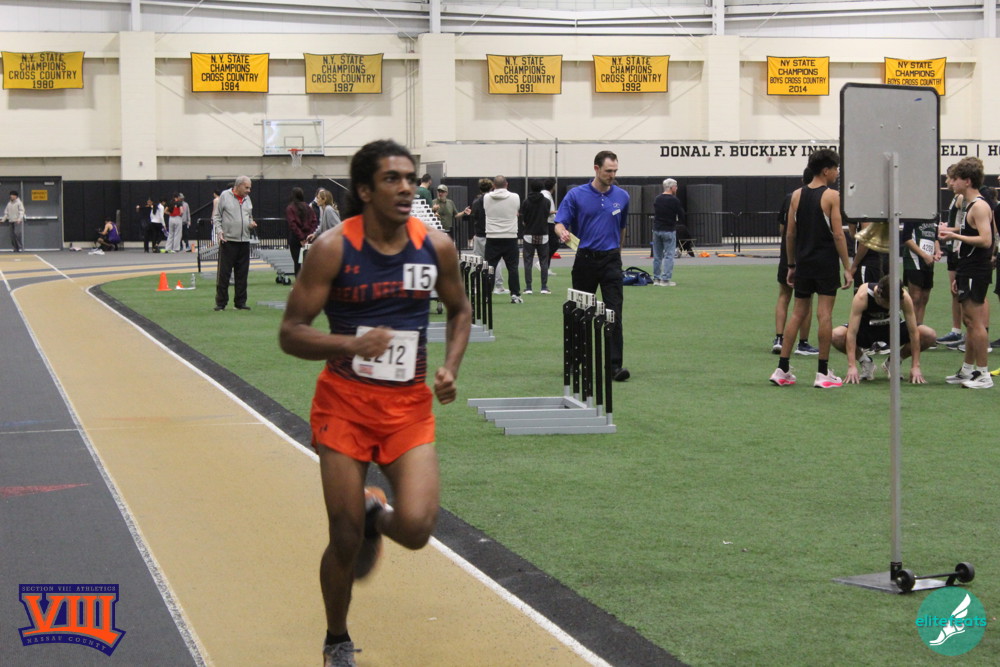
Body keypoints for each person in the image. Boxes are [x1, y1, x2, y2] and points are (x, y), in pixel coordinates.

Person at [278, 139, 471, 667]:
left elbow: (459, 310)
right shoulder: (333, 249)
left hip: (407, 408)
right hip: (344, 406)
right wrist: (350, 344)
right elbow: (291, 332)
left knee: (416, 528)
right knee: (342, 538)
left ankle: (374, 514)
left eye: (410, 178)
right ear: (365, 190)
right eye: (392, 179)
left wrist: (451, 366)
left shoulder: (436, 247)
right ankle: (337, 639)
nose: (407, 188)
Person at [770, 148, 852, 388]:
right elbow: (838, 235)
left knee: (797, 313)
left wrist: (791, 264)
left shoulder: (796, 195)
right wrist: (847, 267)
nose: (837, 173)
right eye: (836, 169)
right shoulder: (832, 196)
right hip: (825, 262)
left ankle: (782, 369)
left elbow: (790, 234)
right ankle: (822, 373)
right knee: (824, 314)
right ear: (826, 170)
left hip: (803, 262)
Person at [554, 150, 631, 381]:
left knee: (614, 313)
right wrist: (562, 232)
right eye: (608, 171)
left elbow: (622, 227)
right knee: (580, 312)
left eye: (615, 171)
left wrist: (618, 254)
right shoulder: (576, 195)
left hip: (611, 261)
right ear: (596, 168)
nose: (612, 175)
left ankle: (614, 367)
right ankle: (575, 363)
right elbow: (559, 222)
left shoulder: (623, 196)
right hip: (585, 260)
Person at [938, 156, 996, 388]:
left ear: (967, 181)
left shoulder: (980, 206)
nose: (951, 183)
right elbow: (970, 232)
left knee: (975, 322)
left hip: (976, 269)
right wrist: (951, 230)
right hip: (967, 267)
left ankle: (983, 374)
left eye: (956, 179)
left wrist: (954, 235)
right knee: (969, 321)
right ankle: (968, 370)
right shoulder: (970, 205)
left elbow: (986, 239)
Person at [832, 275, 935, 384]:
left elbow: (913, 332)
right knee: (836, 335)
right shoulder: (863, 296)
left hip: (893, 330)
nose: (890, 307)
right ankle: (865, 362)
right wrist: (851, 366)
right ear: (878, 295)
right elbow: (852, 333)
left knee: (929, 335)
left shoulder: (904, 298)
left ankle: (894, 362)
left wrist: (915, 366)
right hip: (866, 330)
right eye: (888, 304)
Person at [772, 169, 819, 356]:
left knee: (784, 295)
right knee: (806, 299)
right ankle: (803, 343)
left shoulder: (789, 198)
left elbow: (783, 229)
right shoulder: (819, 198)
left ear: (802, 179)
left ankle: (779, 338)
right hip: (807, 254)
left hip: (788, 254)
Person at [212, 175, 257, 311]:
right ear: (238, 186)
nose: (249, 190)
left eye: (250, 188)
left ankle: (240, 302)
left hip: (244, 241)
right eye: (246, 187)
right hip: (229, 241)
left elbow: (249, 216)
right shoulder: (225, 196)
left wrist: (251, 224)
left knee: (242, 274)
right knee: (224, 274)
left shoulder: (247, 199)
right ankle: (221, 303)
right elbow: (217, 216)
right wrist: (219, 231)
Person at [936, 165, 965, 349]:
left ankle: (968, 332)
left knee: (964, 293)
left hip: (960, 248)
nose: (947, 181)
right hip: (953, 248)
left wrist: (948, 230)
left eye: (949, 178)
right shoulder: (956, 197)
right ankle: (956, 331)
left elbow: (967, 226)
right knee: (954, 291)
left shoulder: (962, 198)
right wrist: (947, 227)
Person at [484, 175, 523, 303]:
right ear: (506, 184)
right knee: (513, 268)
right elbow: (516, 210)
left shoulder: (486, 197)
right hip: (510, 237)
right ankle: (515, 295)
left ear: (493, 186)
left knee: (490, 268)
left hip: (492, 237)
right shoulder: (515, 197)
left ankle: (486, 295)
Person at [901, 215, 940, 326]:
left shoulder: (934, 214)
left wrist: (937, 251)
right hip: (914, 260)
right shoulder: (913, 213)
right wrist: (924, 255)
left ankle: (919, 327)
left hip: (929, 261)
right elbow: (906, 239)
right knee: (915, 297)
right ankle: (911, 329)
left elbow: (935, 238)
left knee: (924, 298)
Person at [519, 179, 551, 294]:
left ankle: (528, 287)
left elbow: (524, 219)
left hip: (529, 234)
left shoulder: (526, 202)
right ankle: (544, 287)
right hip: (543, 234)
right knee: (544, 262)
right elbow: (546, 216)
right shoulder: (547, 201)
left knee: (528, 262)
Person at [651, 178, 683, 286]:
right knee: (669, 255)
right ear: (672, 187)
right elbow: (681, 214)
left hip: (657, 229)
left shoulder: (657, 199)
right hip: (669, 229)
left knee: (657, 256)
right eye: (676, 186)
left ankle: (656, 279)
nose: (676, 188)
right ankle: (665, 279)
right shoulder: (674, 200)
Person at [286, 187, 317, 277]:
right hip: (308, 238)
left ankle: (299, 282)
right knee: (308, 262)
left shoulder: (290, 208)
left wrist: (301, 238)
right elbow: (314, 221)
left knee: (297, 263)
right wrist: (308, 236)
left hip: (295, 239)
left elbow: (293, 224)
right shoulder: (308, 207)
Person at [470, 177, 492, 260]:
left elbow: (474, 215)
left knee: (478, 261)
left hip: (479, 234)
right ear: (491, 188)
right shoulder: (493, 201)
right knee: (493, 260)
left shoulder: (476, 202)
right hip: (491, 233)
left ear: (480, 189)